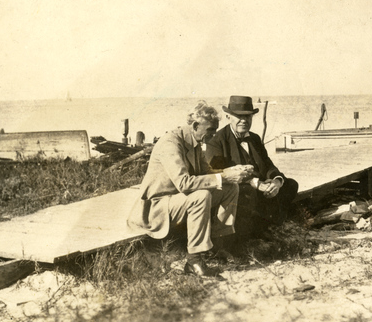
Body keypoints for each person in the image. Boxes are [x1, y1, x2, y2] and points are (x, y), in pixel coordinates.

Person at [127, 101, 252, 277]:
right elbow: (184, 183)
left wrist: (230, 172)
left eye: (215, 131)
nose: (213, 135)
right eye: (210, 130)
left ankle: (217, 246)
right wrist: (223, 176)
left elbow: (206, 173)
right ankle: (194, 260)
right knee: (201, 196)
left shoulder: (194, 140)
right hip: (157, 207)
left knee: (230, 188)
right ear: (195, 125)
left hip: (176, 200)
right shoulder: (170, 143)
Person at [205, 95, 299, 236]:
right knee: (248, 193)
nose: (244, 120)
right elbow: (219, 174)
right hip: (239, 187)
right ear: (228, 116)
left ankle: (272, 226)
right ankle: (250, 235)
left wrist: (276, 181)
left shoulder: (254, 138)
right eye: (238, 116)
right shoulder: (217, 141)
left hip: (263, 187)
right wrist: (255, 183)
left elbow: (268, 165)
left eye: (248, 116)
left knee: (290, 185)